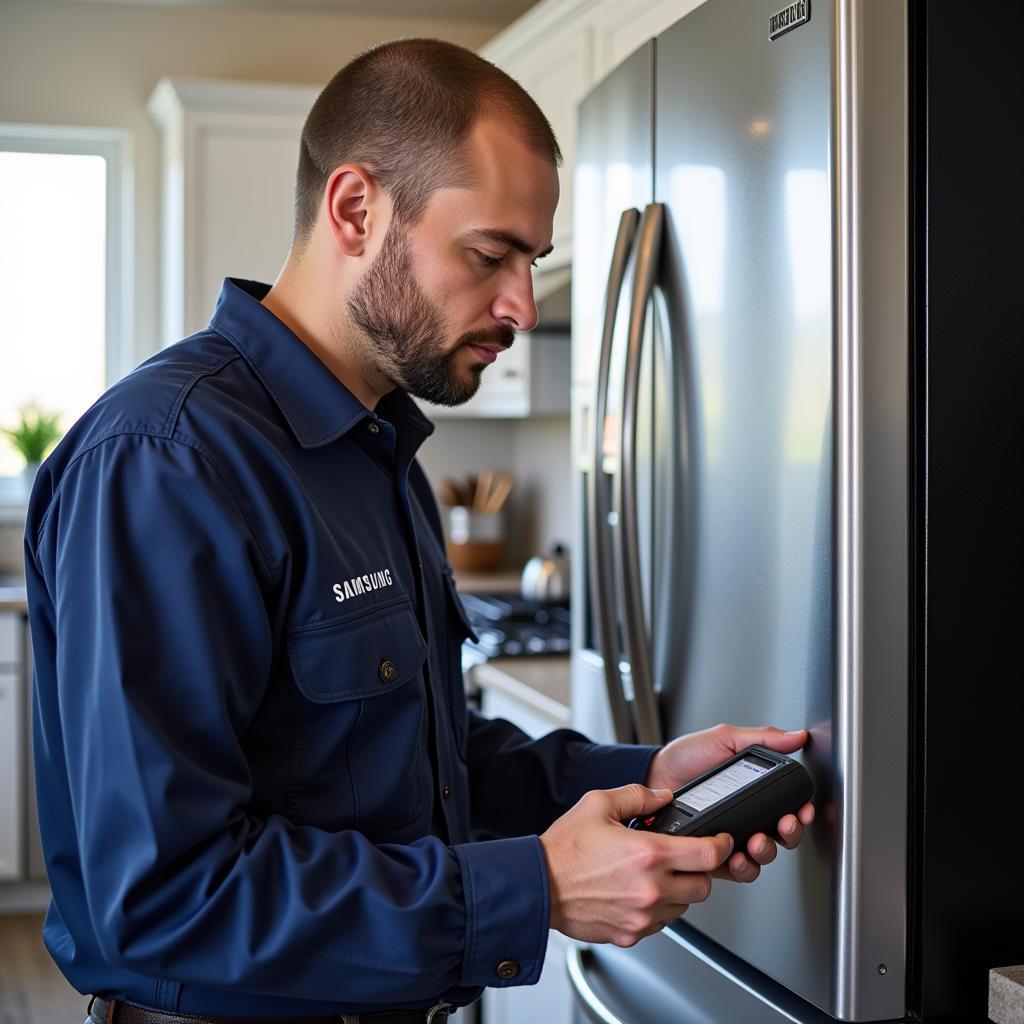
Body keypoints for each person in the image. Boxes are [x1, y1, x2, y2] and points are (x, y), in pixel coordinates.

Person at [24, 38, 814, 1024]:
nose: (522, 305)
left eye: (533, 261)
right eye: (490, 255)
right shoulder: (165, 459)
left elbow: (418, 771)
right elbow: (160, 897)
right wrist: (536, 888)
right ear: (355, 209)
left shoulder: (378, 453)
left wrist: (644, 776)